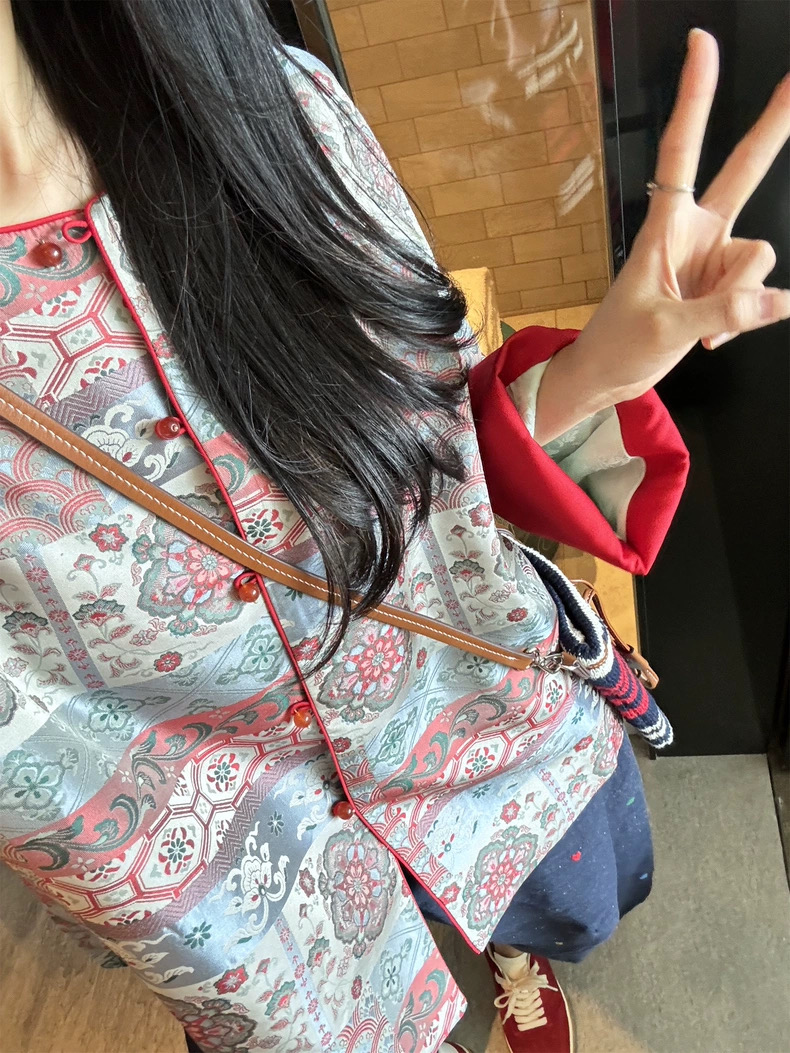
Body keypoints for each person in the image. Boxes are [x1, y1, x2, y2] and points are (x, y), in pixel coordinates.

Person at [0, 3, 787, 1052]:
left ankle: (511, 947)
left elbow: (434, 468)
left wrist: (601, 368)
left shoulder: (274, 114)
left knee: (528, 897)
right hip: (246, 886)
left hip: (466, 715)